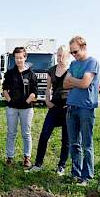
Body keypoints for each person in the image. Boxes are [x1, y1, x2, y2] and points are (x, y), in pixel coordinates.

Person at [63, 36, 100, 186]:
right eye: (72, 52)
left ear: (84, 47)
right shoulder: (73, 63)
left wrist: (74, 81)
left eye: (76, 51)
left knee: (86, 144)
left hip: (86, 108)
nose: (74, 55)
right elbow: (65, 84)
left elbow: (85, 83)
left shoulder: (92, 62)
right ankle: (75, 173)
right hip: (72, 107)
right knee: (73, 143)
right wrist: (75, 81)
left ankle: (87, 176)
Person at [27, 45, 70, 173]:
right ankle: (38, 164)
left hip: (68, 107)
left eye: (62, 55)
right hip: (54, 106)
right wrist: (47, 101)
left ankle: (61, 166)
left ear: (68, 56)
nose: (60, 58)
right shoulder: (51, 70)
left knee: (66, 139)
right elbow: (48, 88)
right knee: (44, 134)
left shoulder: (72, 70)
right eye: (58, 55)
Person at [2, 47, 37, 168]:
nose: (19, 60)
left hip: (27, 109)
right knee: (11, 133)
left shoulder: (31, 74)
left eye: (21, 57)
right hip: (12, 108)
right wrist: (10, 101)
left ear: (25, 57)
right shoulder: (10, 73)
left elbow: (34, 92)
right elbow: (4, 89)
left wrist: (26, 102)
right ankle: (9, 157)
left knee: (26, 133)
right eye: (16, 58)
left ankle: (27, 157)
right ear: (14, 58)